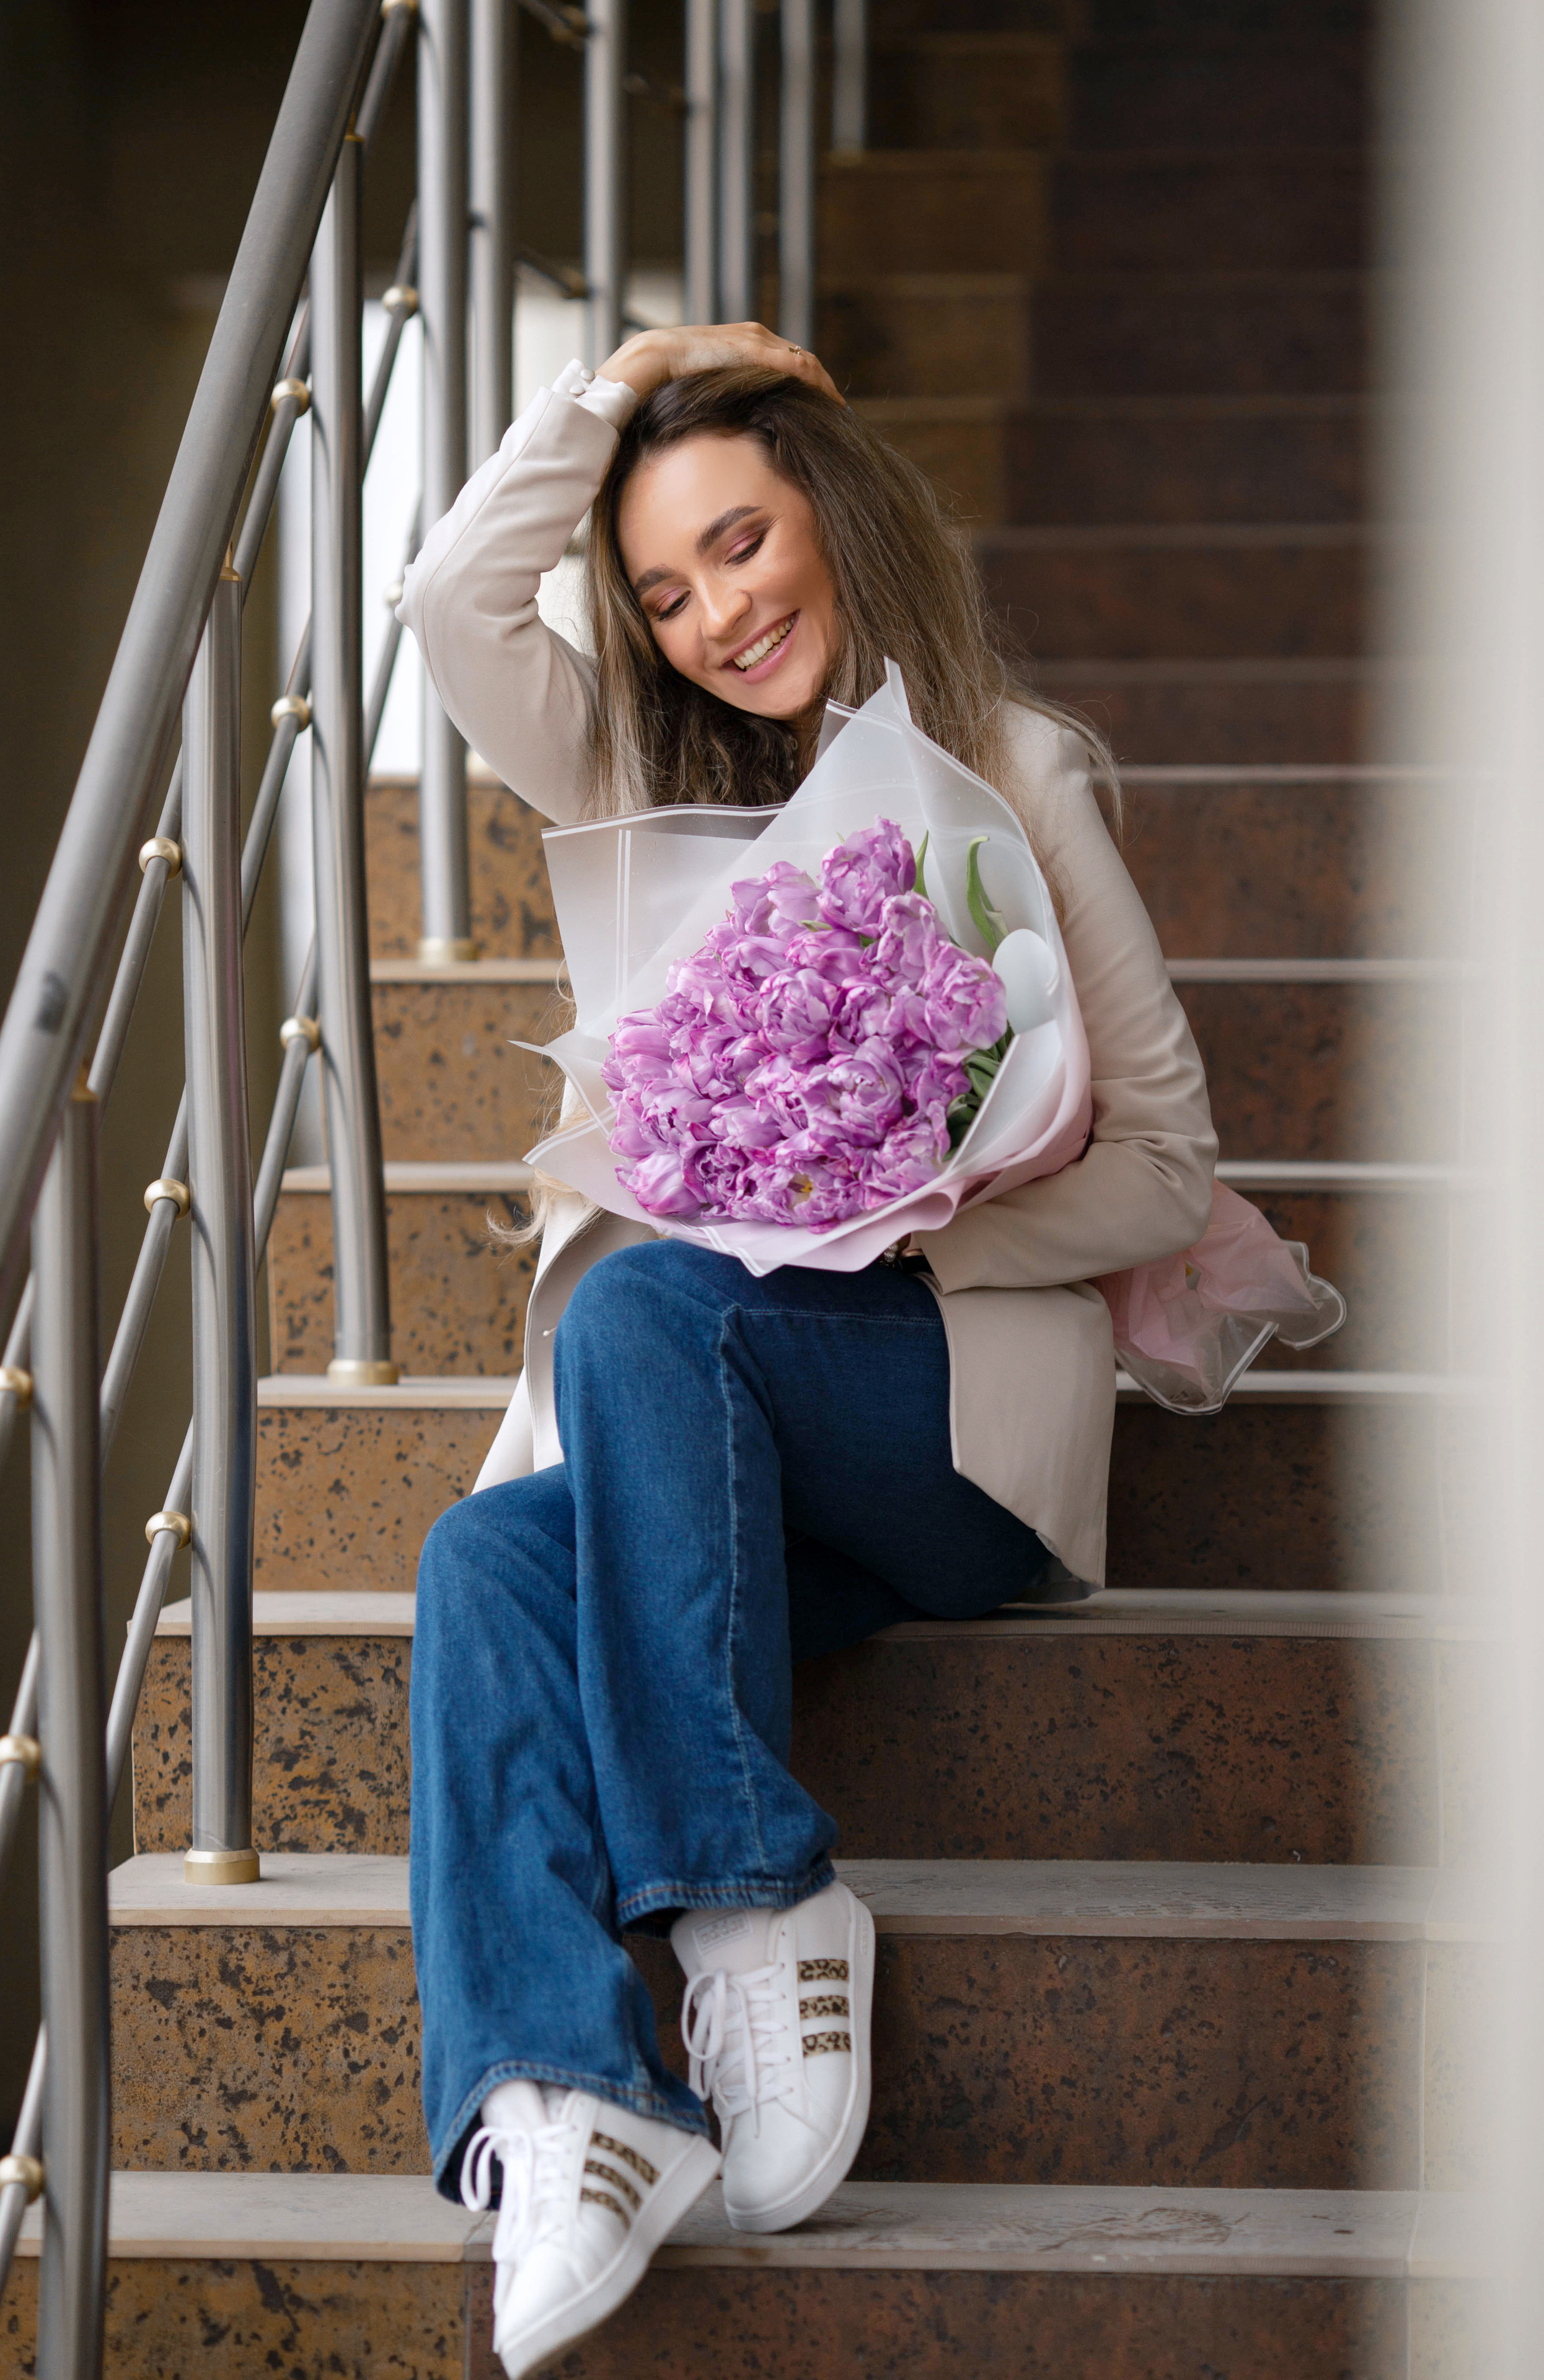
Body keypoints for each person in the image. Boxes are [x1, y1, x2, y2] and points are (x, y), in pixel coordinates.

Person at [397, 322, 1216, 2378]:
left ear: (832, 515)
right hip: (718, 1434)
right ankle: (568, 2101)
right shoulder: (628, 776)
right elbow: (445, 603)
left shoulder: (1012, 771)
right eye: (663, 593)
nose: (715, 615)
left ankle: (760, 1907)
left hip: (940, 1431)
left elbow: (1172, 1170)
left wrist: (893, 1205)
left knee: (667, 1298)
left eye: (743, 542)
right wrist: (622, 391)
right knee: (482, 1561)